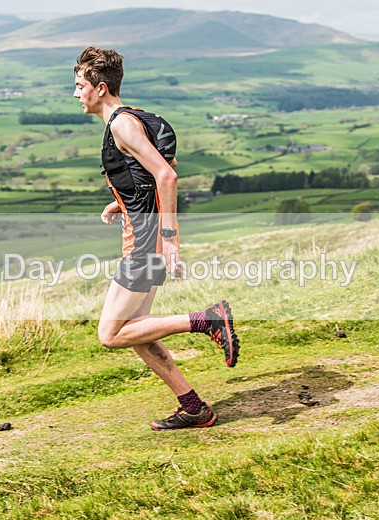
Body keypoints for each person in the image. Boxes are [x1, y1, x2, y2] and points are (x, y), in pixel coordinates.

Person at [73, 46, 239, 431]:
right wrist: (124, 202)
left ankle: (208, 320)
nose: (76, 94)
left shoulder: (121, 124)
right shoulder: (134, 118)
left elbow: (167, 176)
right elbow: (155, 170)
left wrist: (170, 240)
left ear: (100, 88)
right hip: (142, 229)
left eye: (80, 86)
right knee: (139, 329)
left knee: (111, 334)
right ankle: (194, 407)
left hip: (147, 240)